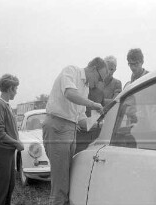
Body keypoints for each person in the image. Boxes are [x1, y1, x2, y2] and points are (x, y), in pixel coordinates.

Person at [42, 57, 107, 205]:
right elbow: (69, 94)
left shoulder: (85, 89)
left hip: (70, 129)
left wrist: (101, 123)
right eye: (99, 78)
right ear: (93, 69)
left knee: (66, 178)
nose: (99, 82)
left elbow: (81, 120)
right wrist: (93, 104)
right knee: (60, 182)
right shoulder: (71, 71)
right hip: (58, 126)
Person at [0, 74, 24, 205]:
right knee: (2, 191)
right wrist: (16, 143)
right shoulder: (0, 105)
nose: (16, 92)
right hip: (2, 152)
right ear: (10, 88)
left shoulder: (6, 105)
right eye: (15, 89)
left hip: (8, 152)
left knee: (9, 187)